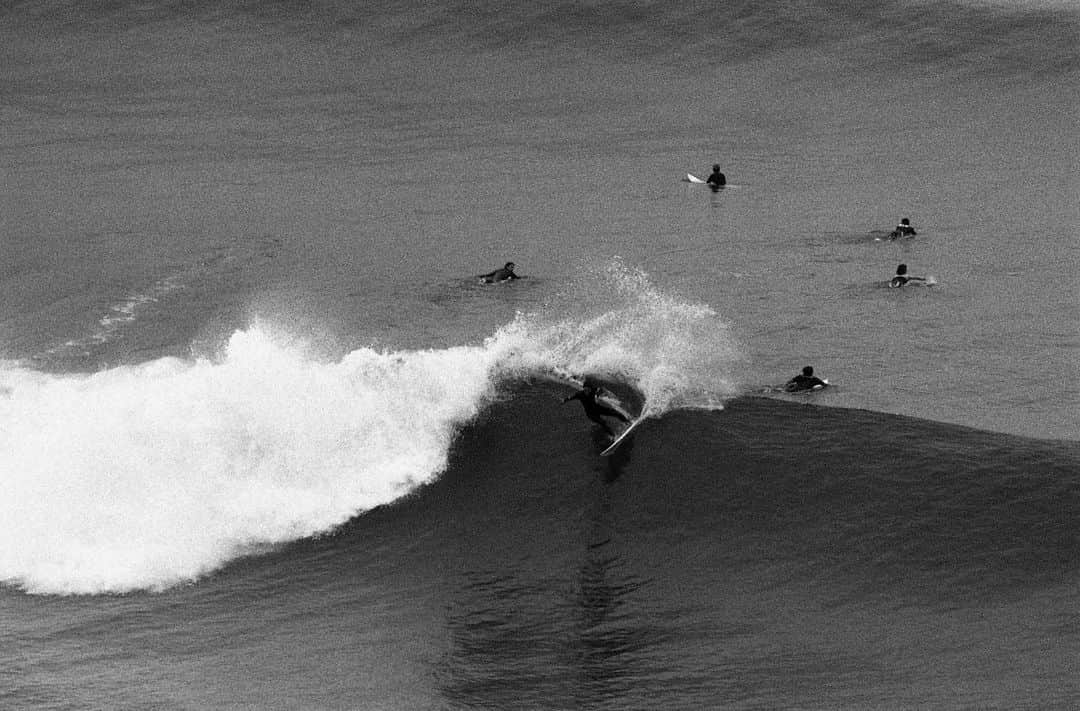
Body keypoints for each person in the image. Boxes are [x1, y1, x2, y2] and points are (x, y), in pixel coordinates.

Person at [563, 381, 632, 436]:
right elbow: (570, 397)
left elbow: (600, 389)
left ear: (590, 388)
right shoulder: (580, 394)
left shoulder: (593, 390)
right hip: (591, 414)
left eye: (588, 389)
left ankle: (627, 422)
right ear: (583, 389)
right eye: (585, 389)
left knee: (615, 413)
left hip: (598, 408)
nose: (587, 391)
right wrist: (564, 400)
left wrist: (599, 394)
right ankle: (613, 436)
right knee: (603, 423)